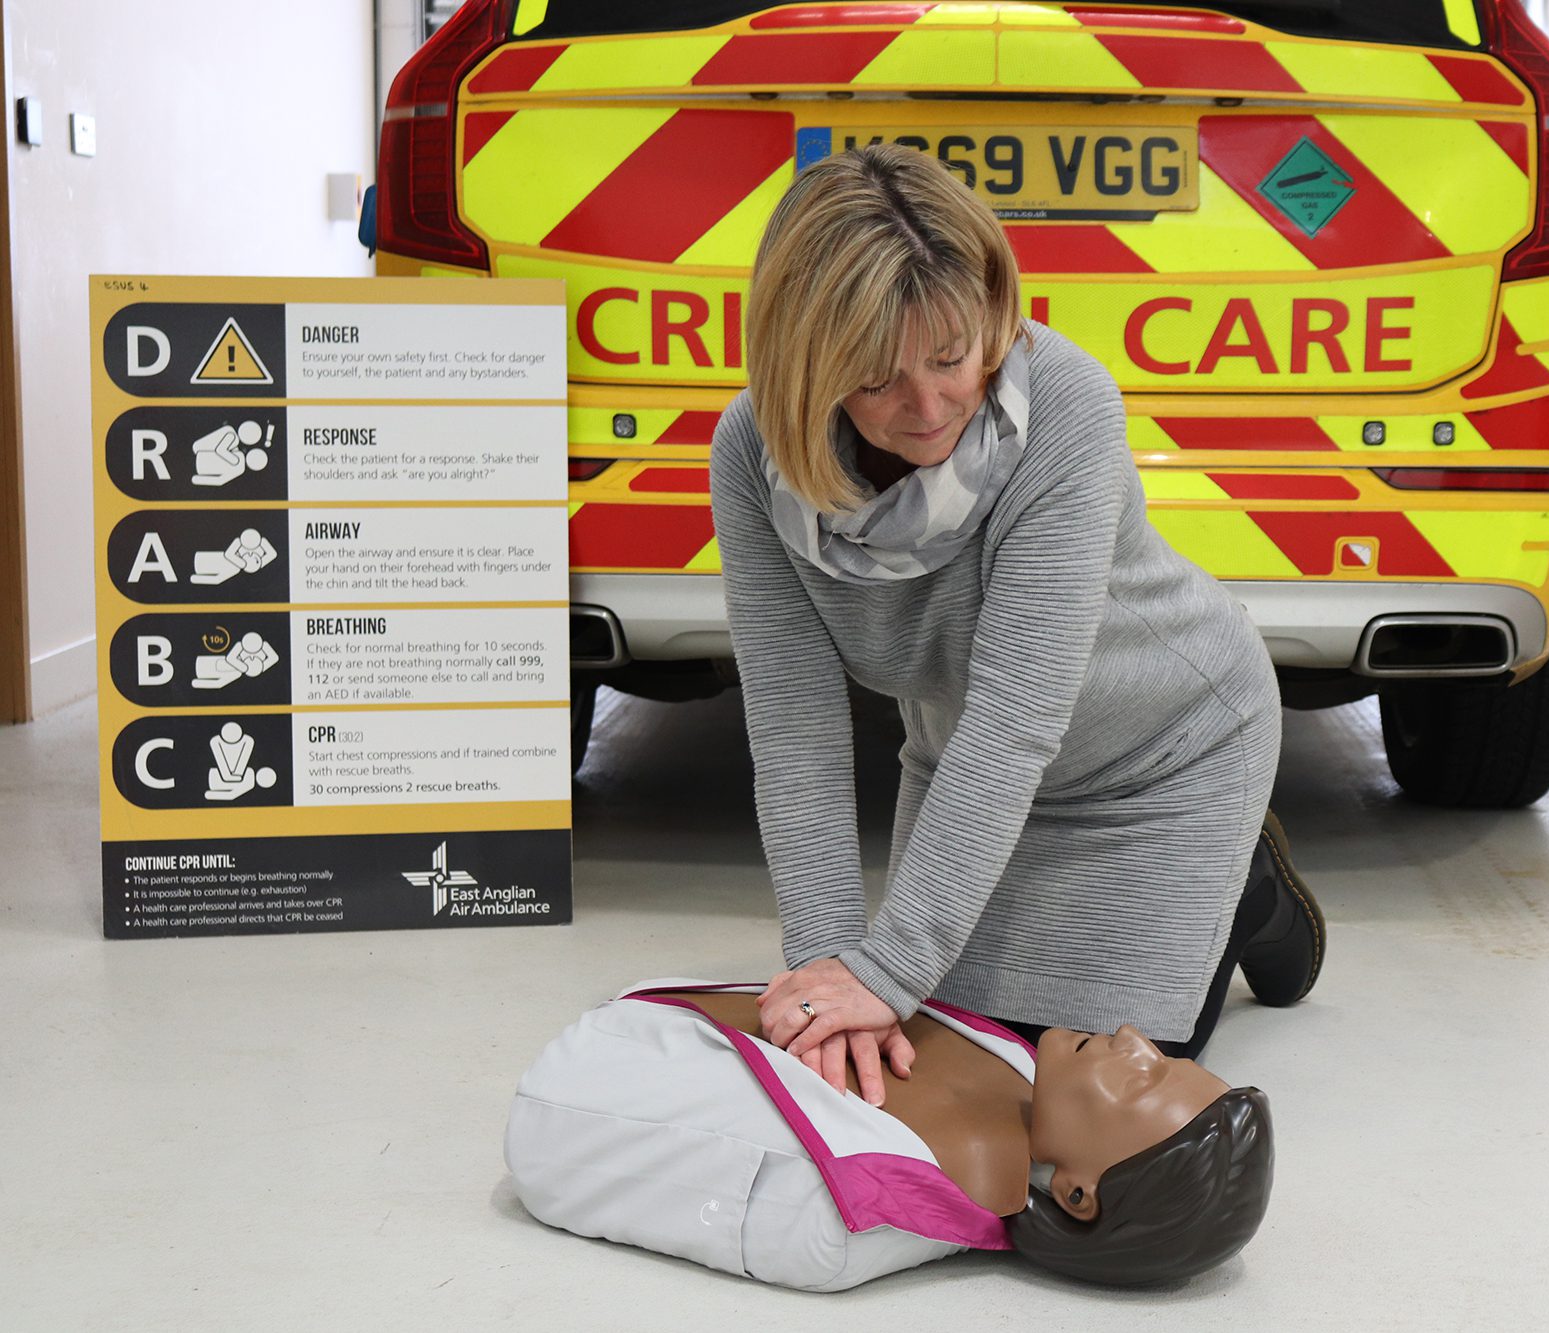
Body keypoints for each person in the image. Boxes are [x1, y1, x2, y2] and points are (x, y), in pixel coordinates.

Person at [708, 144, 1325, 1103]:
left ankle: (1238, 883)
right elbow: (795, 725)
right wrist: (826, 971)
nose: (928, 407)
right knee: (938, 1062)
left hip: (1167, 753)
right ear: (807, 365)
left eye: (953, 357)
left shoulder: (1065, 406)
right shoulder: (752, 450)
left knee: (1081, 1094)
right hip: (974, 778)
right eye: (874, 378)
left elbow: (1015, 714)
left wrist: (892, 963)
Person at [505, 981, 1274, 1290]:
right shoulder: (1016, 1074)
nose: (1137, 1037)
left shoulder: (853, 1212)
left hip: (604, 1058)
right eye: (1161, 1057)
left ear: (1078, 1193)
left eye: (1143, 1079)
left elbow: (556, 1125)